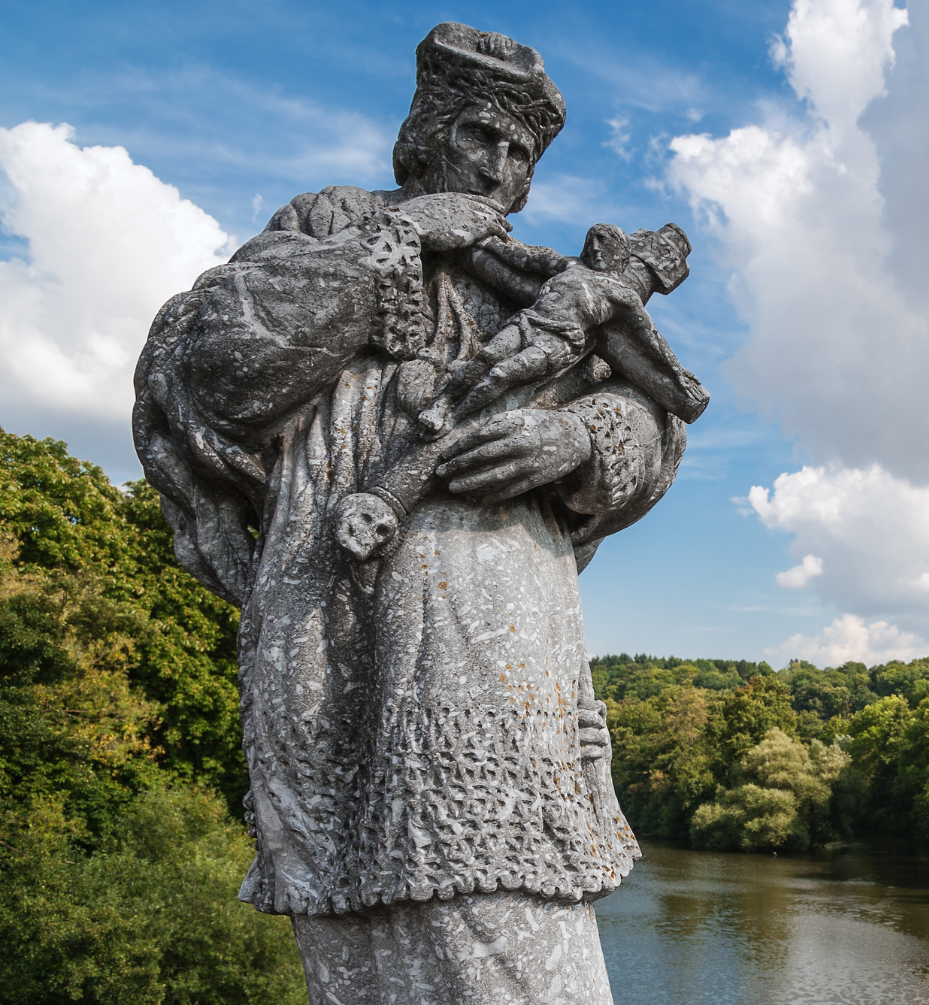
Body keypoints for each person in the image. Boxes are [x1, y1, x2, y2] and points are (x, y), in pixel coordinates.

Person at [133, 23, 684, 1005]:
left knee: (507, 916)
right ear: (425, 132)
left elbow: (651, 423)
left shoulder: (543, 279)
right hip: (322, 629)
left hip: (489, 626)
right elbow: (222, 368)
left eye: (522, 155)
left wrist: (576, 441)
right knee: (352, 948)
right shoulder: (330, 221)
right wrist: (397, 242)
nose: (501, 169)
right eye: (481, 137)